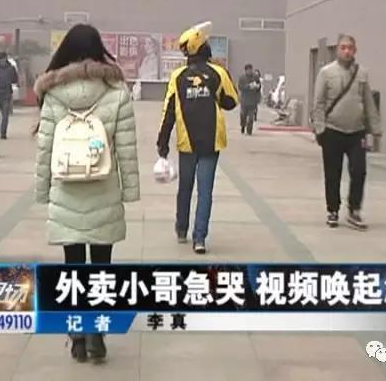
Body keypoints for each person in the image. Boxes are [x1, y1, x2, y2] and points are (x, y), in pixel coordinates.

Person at [33, 23, 140, 363]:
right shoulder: (116, 91)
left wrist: (42, 190)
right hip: (103, 190)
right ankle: (97, 334)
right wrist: (130, 191)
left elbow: (45, 149)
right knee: (102, 269)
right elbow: (126, 149)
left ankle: (77, 336)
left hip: (66, 192)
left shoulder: (53, 93)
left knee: (73, 269)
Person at [156, 21, 238, 254]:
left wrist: (162, 143)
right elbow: (231, 101)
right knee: (205, 191)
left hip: (186, 142)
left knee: (185, 188)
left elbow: (168, 111)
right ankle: (199, 238)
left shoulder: (178, 76)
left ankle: (182, 228)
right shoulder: (218, 73)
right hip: (211, 142)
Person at [312, 34, 381, 231]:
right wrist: (320, 128)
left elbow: (368, 102)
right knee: (332, 173)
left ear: (355, 50)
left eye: (350, 48)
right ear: (337, 50)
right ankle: (332, 210)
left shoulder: (362, 74)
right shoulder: (326, 73)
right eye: (343, 47)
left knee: (359, 171)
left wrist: (375, 128)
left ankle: (354, 210)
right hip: (332, 131)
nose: (347, 51)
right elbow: (319, 103)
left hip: (356, 132)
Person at [0, 52, 18, 139]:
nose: (3, 60)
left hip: (5, 94)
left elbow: (14, 79)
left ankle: (2, 133)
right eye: (2, 59)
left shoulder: (9, 68)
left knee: (4, 115)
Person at [237, 63, 261, 135]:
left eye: (251, 70)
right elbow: (240, 87)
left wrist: (257, 87)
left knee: (251, 118)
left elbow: (259, 86)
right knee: (243, 115)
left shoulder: (255, 77)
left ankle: (249, 131)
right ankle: (243, 125)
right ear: (245, 70)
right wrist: (248, 86)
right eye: (248, 70)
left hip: (253, 101)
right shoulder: (242, 78)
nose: (250, 71)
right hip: (244, 101)